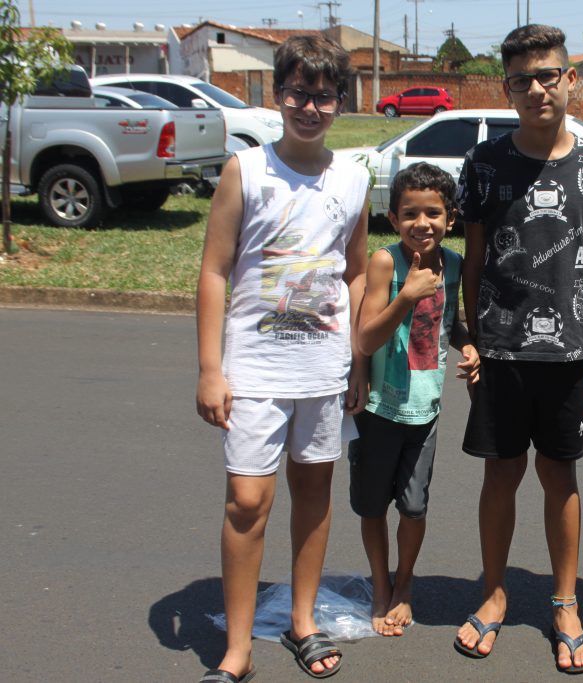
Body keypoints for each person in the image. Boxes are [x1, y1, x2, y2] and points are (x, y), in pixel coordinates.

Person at [194, 34, 368, 683]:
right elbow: (214, 271)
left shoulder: (353, 178)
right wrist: (210, 369)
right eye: (298, 93)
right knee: (247, 500)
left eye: (323, 96)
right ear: (278, 95)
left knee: (315, 493)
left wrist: (358, 361)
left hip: (323, 367)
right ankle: (237, 649)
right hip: (254, 368)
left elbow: (355, 273)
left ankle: (302, 619)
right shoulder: (246, 171)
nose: (309, 107)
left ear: (340, 102)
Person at [452, 23, 583, 675]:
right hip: (500, 351)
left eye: (548, 75)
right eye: (522, 80)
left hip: (570, 354)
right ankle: (493, 593)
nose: (536, 89)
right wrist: (471, 337)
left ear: (570, 79)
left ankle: (565, 603)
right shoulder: (484, 164)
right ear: (507, 88)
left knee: (560, 476)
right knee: (500, 475)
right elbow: (472, 261)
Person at [350, 162, 480, 637]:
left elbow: (445, 323)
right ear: (393, 218)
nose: (421, 223)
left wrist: (468, 344)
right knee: (372, 506)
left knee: (413, 507)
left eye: (433, 213)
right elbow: (366, 338)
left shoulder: (455, 264)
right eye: (409, 214)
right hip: (379, 410)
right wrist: (405, 296)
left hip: (425, 411)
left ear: (451, 218)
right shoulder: (385, 262)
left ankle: (404, 583)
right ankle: (380, 585)